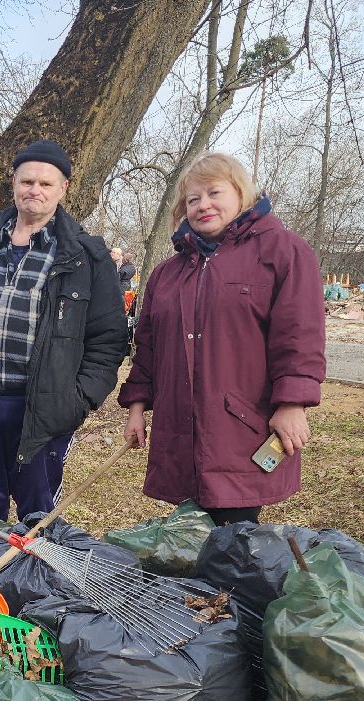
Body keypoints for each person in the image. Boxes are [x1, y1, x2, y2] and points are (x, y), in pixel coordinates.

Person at [120, 152, 325, 527]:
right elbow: (147, 347)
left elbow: (299, 335)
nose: (204, 205)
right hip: (179, 425)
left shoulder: (283, 252)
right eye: (193, 199)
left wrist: (293, 403)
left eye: (214, 192)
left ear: (241, 193)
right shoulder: (167, 273)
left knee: (234, 532)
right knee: (191, 533)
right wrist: (137, 406)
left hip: (242, 423)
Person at [0, 139, 128, 520]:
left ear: (63, 189)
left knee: (37, 514)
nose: (34, 190)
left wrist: (79, 399)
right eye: (27, 182)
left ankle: (32, 576)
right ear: (14, 183)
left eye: (45, 184)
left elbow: (109, 339)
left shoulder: (85, 257)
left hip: (44, 407)